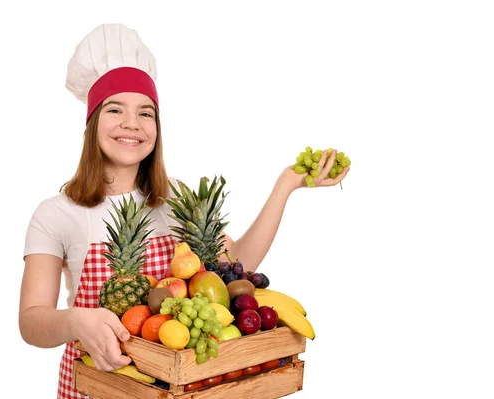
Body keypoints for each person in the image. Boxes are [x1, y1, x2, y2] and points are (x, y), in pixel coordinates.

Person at [18, 23, 349, 399]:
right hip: (98, 386)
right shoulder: (56, 213)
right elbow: (31, 322)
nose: (132, 124)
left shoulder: (176, 197)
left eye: (146, 113)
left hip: (176, 386)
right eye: (115, 110)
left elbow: (236, 263)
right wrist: (75, 319)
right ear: (92, 122)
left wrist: (285, 185)